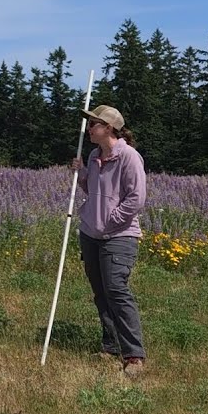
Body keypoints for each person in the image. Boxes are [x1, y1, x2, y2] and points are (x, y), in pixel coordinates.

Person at [70, 104, 148, 377]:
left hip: (119, 235)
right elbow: (92, 189)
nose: (89, 128)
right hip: (90, 234)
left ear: (109, 128)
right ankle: (111, 346)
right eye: (90, 123)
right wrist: (82, 173)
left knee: (116, 291)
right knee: (101, 292)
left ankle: (134, 355)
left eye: (94, 124)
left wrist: (111, 219)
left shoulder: (129, 157)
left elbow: (136, 198)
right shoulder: (94, 155)